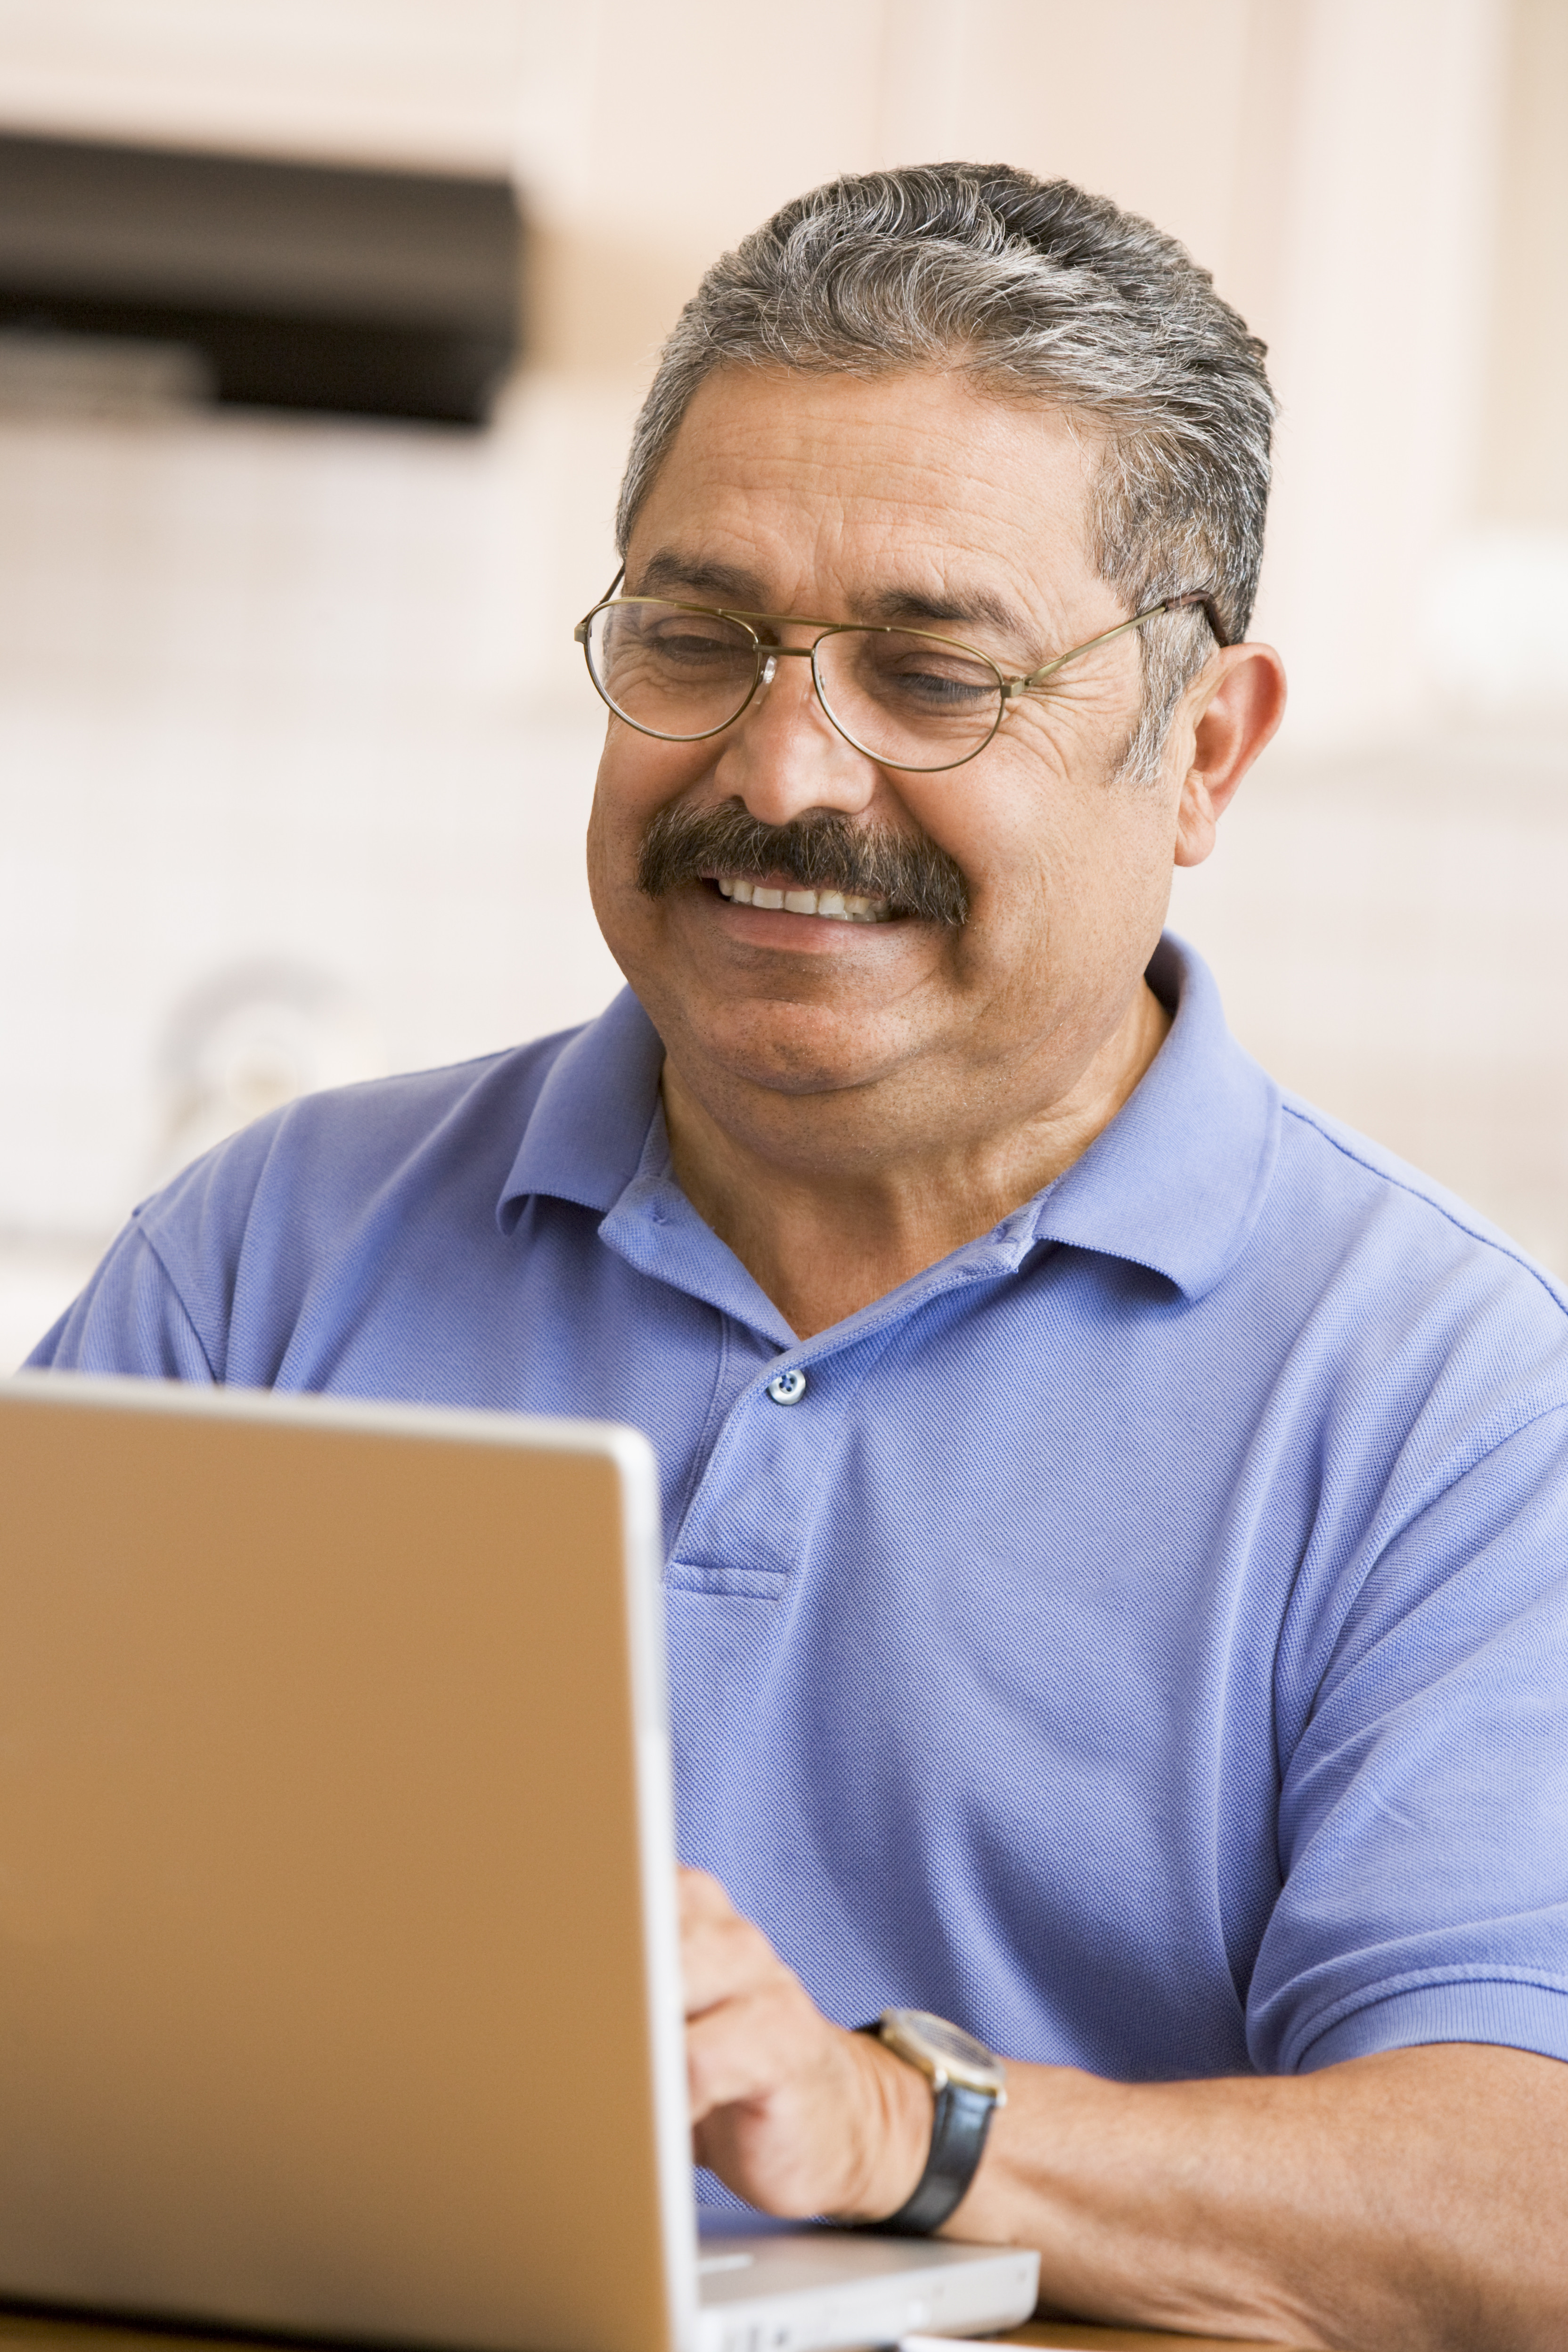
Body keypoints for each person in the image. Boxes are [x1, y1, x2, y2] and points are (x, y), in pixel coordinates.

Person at [30, 165, 1568, 2347]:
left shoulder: (1457, 1405)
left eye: (931, 673)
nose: (781, 768)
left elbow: (1525, 2208)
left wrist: (895, 2130)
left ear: (1199, 749)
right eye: (696, 635)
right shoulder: (268, 1250)